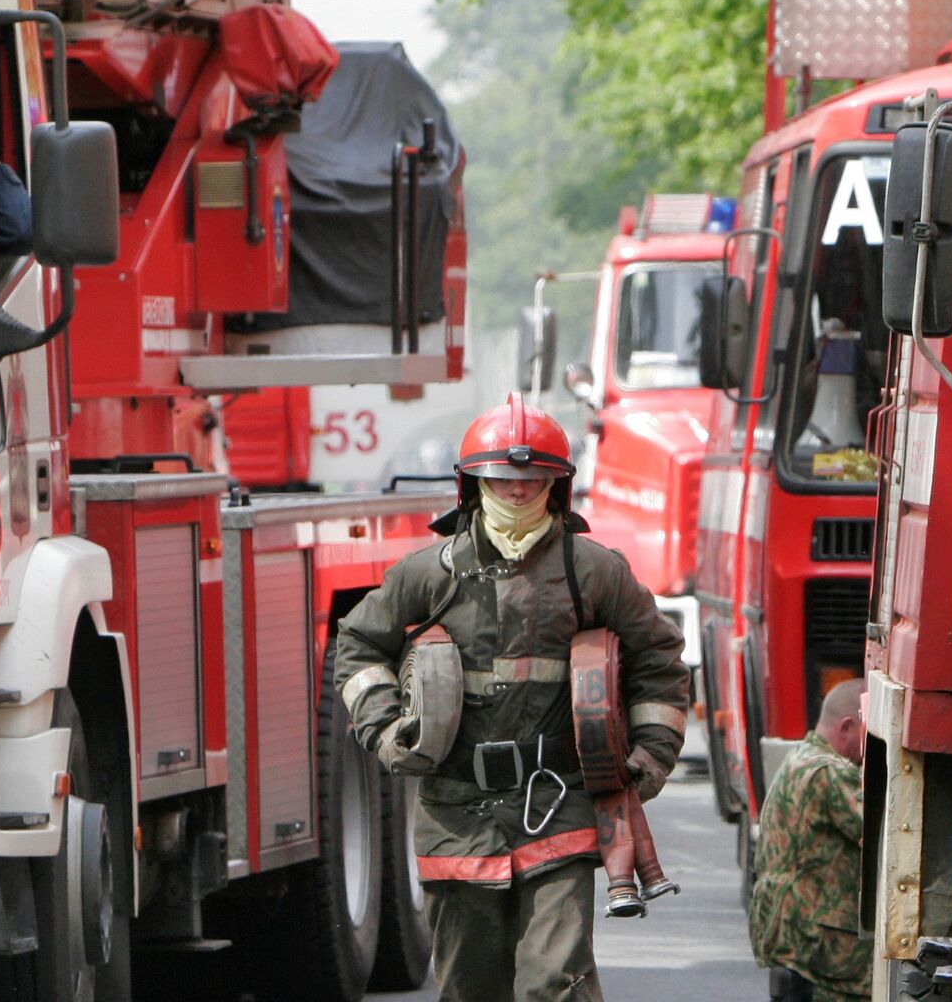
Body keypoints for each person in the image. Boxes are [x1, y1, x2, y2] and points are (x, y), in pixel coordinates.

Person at [334, 394, 691, 1002]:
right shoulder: (429, 574)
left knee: (557, 980)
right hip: (455, 815)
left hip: (559, 806)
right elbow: (358, 647)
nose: (519, 490)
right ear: (473, 484)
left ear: (559, 484)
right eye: (503, 477)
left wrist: (650, 755)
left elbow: (660, 662)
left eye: (534, 477)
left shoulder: (594, 571)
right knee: (472, 989)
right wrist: (388, 729)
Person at [750, 678, 871, 1002]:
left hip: (789, 933)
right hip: (819, 945)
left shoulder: (798, 760)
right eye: (868, 734)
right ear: (847, 726)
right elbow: (880, 836)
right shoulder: (829, 772)